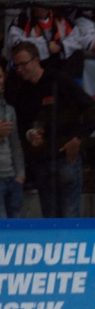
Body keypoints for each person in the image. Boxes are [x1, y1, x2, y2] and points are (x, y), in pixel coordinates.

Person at [8, 42, 95, 218]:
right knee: (50, 219)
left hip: (66, 159)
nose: (19, 69)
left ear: (36, 60)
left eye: (23, 64)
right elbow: (22, 126)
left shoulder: (59, 80)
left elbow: (92, 109)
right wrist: (29, 135)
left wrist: (78, 139)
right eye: (16, 66)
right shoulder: (22, 91)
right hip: (42, 162)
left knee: (69, 217)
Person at [7, 5, 83, 77]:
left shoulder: (60, 17)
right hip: (33, 66)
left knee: (77, 55)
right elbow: (15, 42)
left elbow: (77, 39)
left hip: (58, 65)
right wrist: (46, 46)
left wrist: (60, 45)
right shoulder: (23, 19)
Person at [0, 56, 25, 218]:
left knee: (15, 227)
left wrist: (20, 175)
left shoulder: (8, 109)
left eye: (0, 76)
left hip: (12, 178)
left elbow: (15, 144)